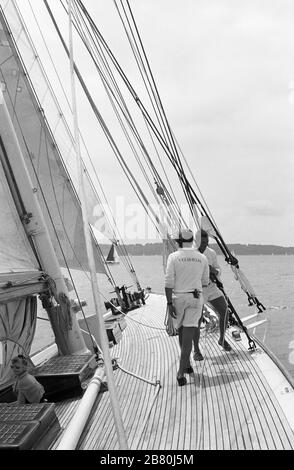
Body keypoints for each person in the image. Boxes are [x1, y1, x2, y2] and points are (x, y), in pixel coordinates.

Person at [165, 228, 209, 386]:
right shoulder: (202, 258)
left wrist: (169, 303)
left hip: (178, 298)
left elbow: (168, 282)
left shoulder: (173, 257)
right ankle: (186, 366)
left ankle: (181, 371)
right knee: (188, 336)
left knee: (182, 335)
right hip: (196, 298)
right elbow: (205, 282)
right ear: (192, 241)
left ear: (178, 241)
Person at [196, 229, 232, 352]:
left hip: (211, 287)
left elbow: (218, 269)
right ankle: (195, 348)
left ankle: (221, 339)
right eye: (202, 242)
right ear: (197, 241)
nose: (204, 244)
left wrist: (214, 271)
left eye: (206, 242)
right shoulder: (191, 255)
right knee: (197, 319)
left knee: (225, 311)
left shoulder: (211, 253)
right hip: (198, 290)